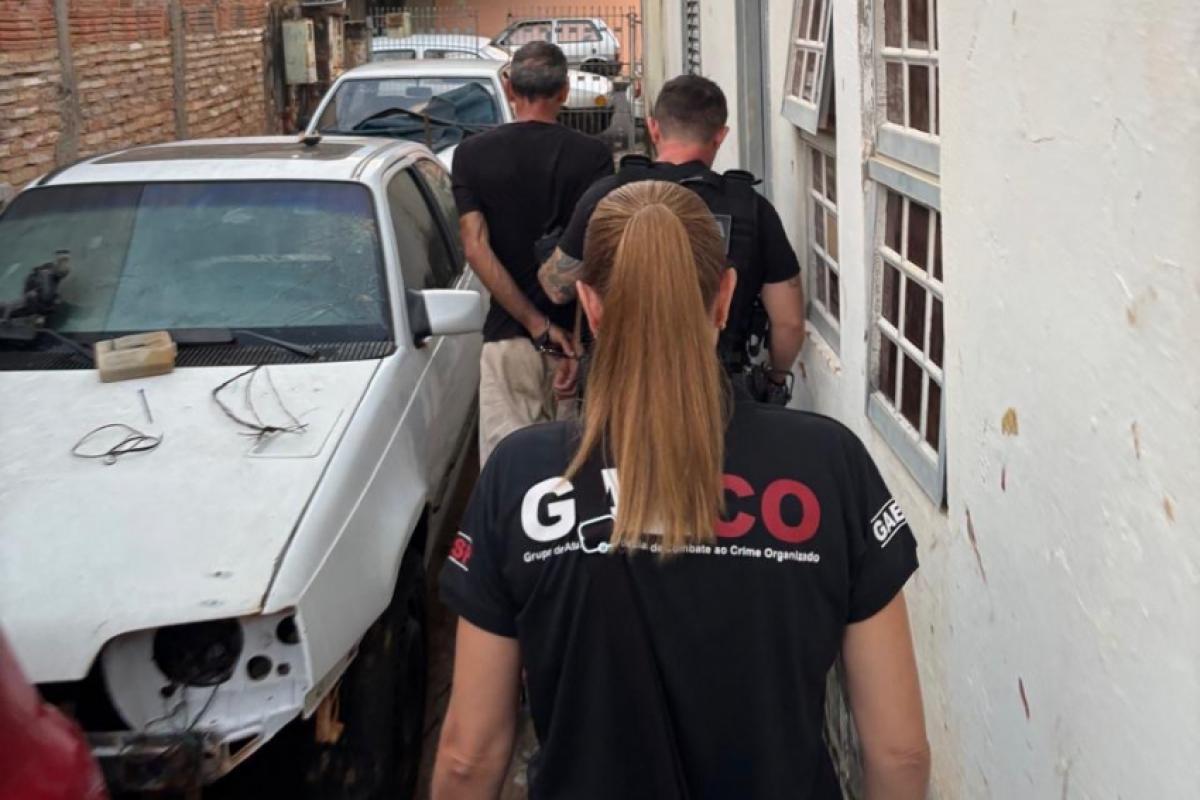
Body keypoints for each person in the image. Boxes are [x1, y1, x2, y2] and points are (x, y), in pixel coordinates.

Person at [433, 181, 929, 799]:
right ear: (725, 297)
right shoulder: (829, 464)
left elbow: (468, 757)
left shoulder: (522, 476)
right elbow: (900, 752)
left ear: (589, 304)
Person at [538, 74, 806, 403]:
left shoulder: (608, 195)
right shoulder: (751, 208)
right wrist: (775, 380)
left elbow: (557, 288)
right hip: (717, 393)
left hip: (619, 391)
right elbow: (790, 323)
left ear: (653, 128)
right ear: (720, 136)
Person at [452, 41, 614, 462]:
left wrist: (536, 325)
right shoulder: (594, 157)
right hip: (576, 345)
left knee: (508, 474)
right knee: (576, 475)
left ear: (509, 88)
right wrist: (571, 341)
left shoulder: (470, 155)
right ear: (564, 91)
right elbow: (597, 255)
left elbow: (475, 247)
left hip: (507, 341)